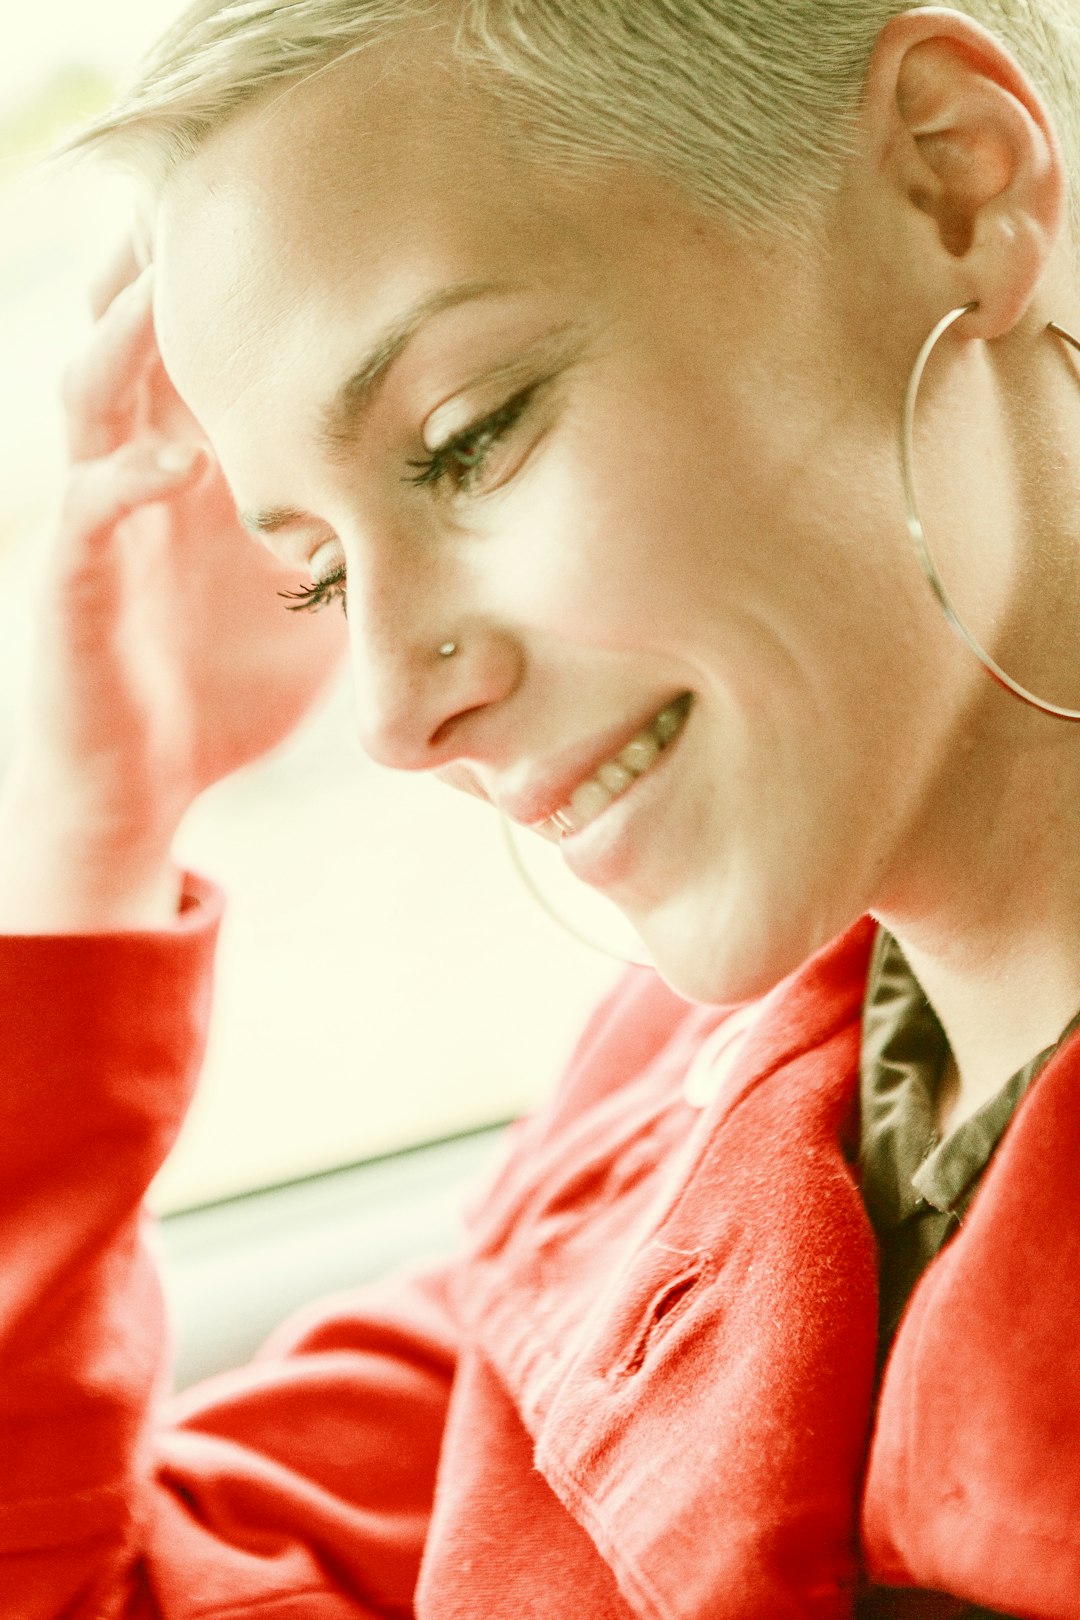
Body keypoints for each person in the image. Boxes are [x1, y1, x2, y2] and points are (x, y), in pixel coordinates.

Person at [1, 0, 1080, 1613]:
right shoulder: (669, 1102)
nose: (388, 710)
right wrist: (91, 819)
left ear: (955, 184)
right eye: (315, 578)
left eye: (467, 440)